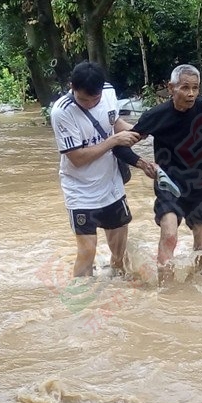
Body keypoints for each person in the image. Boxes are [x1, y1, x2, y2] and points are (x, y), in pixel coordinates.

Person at [131, 63, 202, 281]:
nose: (191, 94)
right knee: (170, 235)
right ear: (171, 87)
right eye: (185, 88)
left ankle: (199, 295)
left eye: (195, 88)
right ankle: (165, 289)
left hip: (201, 186)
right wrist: (142, 163)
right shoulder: (156, 115)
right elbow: (122, 145)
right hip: (169, 185)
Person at [50, 61, 155, 278]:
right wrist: (114, 141)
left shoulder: (108, 92)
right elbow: (77, 158)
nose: (89, 104)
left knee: (119, 253)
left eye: (94, 100)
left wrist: (142, 132)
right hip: (80, 189)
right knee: (87, 250)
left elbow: (113, 122)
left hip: (111, 185)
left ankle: (119, 291)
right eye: (83, 100)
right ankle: (81, 299)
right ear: (72, 87)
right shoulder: (62, 112)